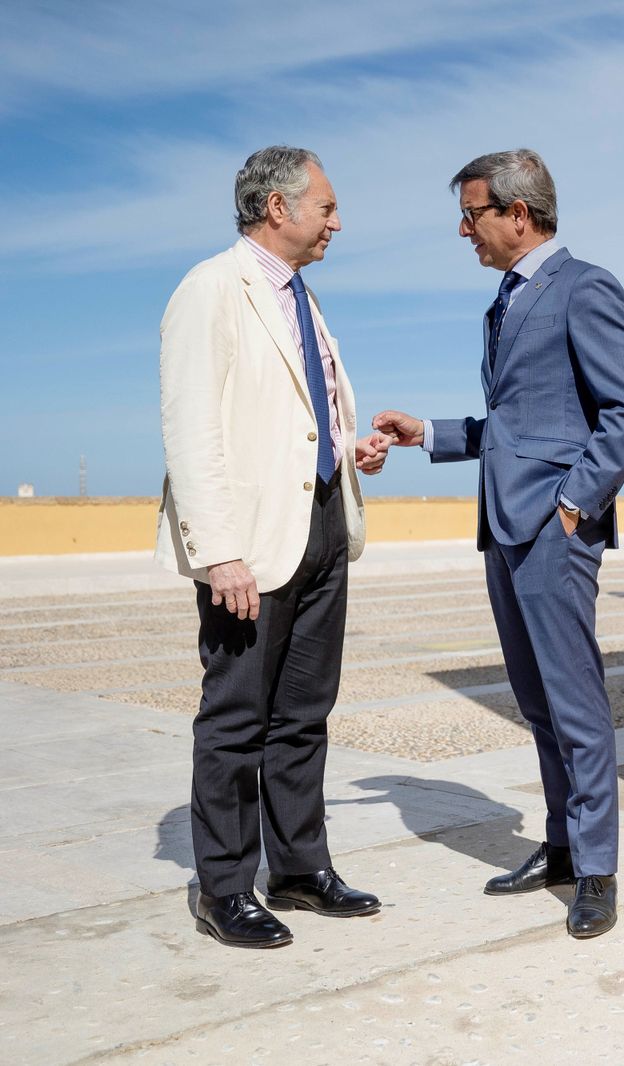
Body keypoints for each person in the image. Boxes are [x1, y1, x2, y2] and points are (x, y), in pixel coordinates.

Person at [372, 149, 624, 940]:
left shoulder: (585, 287)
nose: (465, 231)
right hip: (504, 529)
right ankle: (562, 845)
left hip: (551, 531)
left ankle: (596, 868)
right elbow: (519, 423)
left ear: (517, 214)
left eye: (472, 215)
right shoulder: (505, 301)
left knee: (574, 700)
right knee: (536, 703)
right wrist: (425, 433)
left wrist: (573, 504)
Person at [156, 146, 392, 949]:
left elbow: (297, 416)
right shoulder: (211, 289)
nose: (336, 221)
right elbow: (191, 431)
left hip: (324, 523)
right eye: (325, 207)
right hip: (251, 544)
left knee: (303, 714)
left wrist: (347, 448)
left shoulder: (303, 297)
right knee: (234, 717)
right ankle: (222, 886)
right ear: (277, 209)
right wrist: (219, 552)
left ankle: (299, 869)